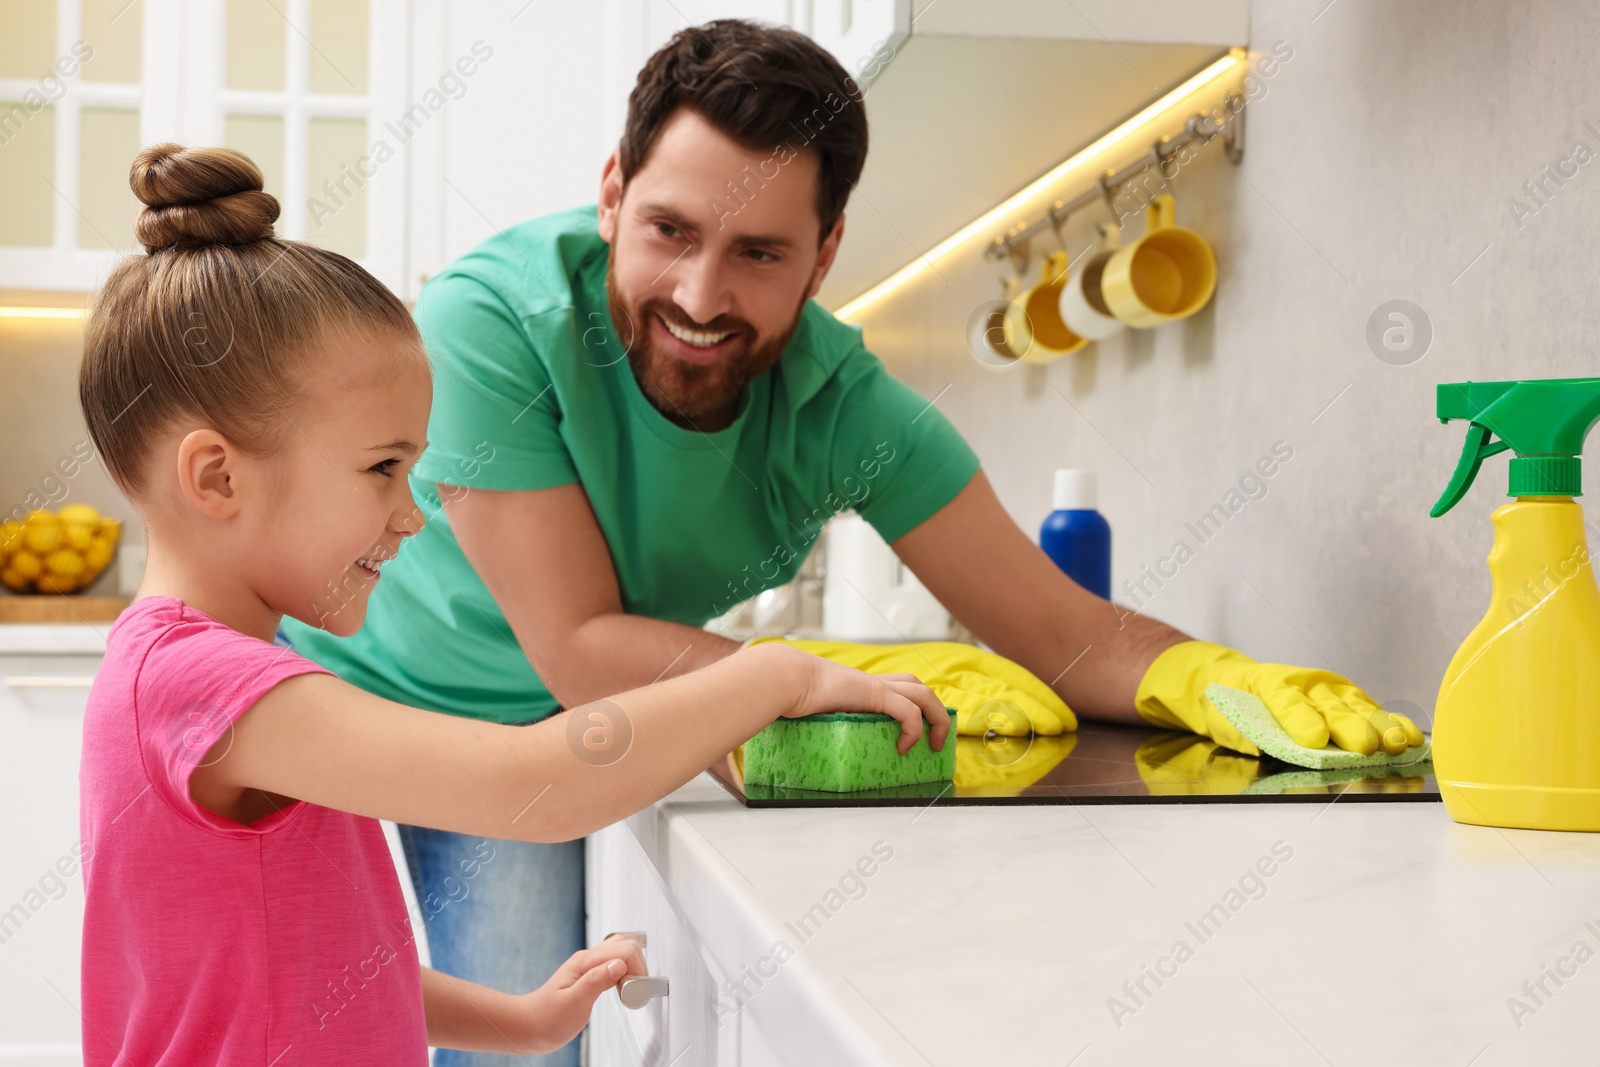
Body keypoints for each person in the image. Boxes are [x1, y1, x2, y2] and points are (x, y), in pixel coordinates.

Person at [283, 18, 1425, 1067]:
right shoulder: (491, 325)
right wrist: (824, 676)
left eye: (759, 254)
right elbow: (578, 643)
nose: (699, 292)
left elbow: (1064, 633)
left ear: (825, 255)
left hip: (560, 725)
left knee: (536, 1044)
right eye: (669, 230)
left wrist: (1203, 672)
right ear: (612, 194)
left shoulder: (844, 410)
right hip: (372, 705)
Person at [74, 142, 949, 1067]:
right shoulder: (203, 685)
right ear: (217, 477)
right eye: (381, 468)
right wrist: (771, 674)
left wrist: (522, 1022)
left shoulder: (184, 677)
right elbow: (525, 783)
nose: (410, 516)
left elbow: (308, 964)